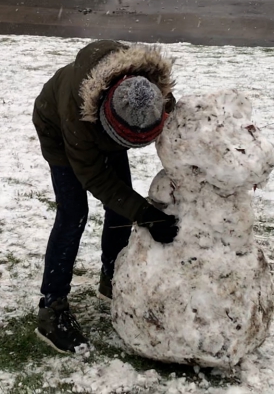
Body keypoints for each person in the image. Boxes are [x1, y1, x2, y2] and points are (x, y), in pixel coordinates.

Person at [31, 40, 180, 353]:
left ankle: (111, 277)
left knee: (120, 209)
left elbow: (176, 122)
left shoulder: (150, 91)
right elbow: (97, 178)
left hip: (104, 124)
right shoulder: (77, 119)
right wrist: (147, 214)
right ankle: (51, 308)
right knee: (73, 214)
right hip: (59, 128)